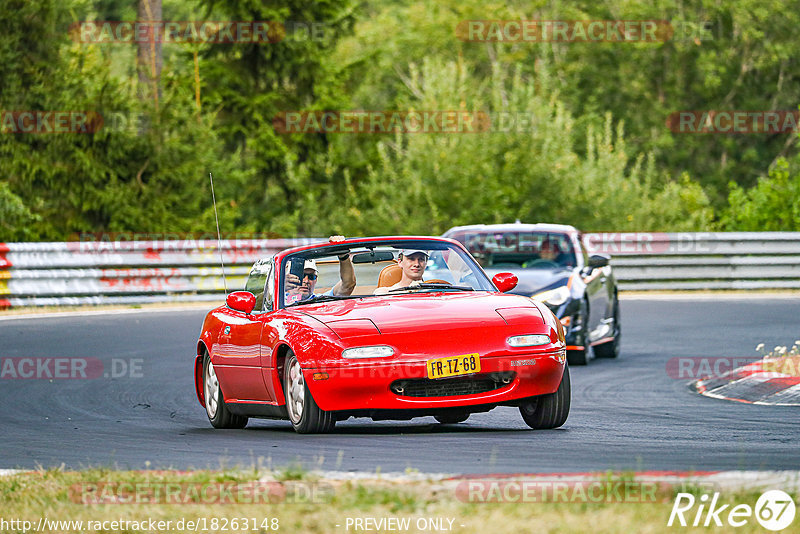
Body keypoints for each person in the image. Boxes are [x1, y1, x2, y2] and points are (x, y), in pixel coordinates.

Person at [285, 235, 356, 303]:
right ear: (289, 278)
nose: (306, 281)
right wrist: (280, 287)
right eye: (301, 276)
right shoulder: (278, 300)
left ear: (316, 280)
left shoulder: (320, 301)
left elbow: (348, 285)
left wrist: (343, 255)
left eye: (311, 277)